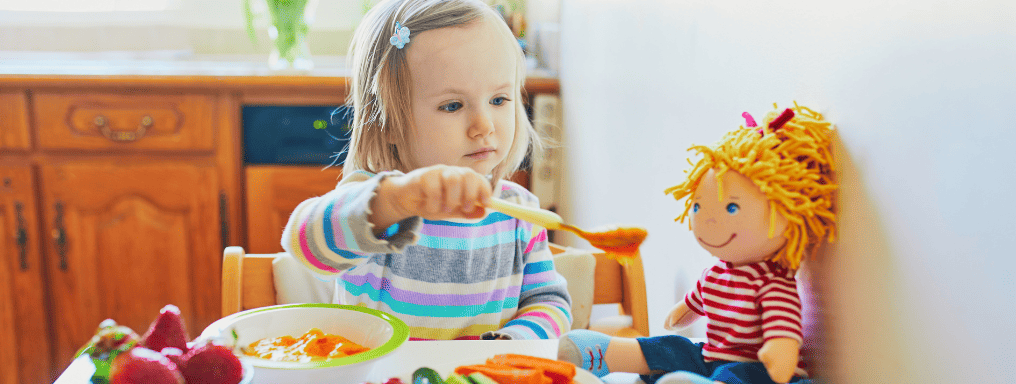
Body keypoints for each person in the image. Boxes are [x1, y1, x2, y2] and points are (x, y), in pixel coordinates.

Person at [281, 0, 571, 341]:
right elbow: (303, 243)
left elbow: (549, 302)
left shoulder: (520, 214)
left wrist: (512, 343)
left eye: (499, 100)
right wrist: (398, 200)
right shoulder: (376, 207)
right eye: (452, 105)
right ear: (388, 123)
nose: (483, 125)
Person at [558, 104, 837, 384]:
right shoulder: (716, 273)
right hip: (710, 355)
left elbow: (783, 330)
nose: (707, 220)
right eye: (699, 207)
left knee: (734, 375)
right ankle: (607, 354)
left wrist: (781, 349)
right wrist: (682, 311)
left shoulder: (772, 284)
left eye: (731, 209)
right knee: (673, 347)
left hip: (753, 366)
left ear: (783, 216)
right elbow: (698, 300)